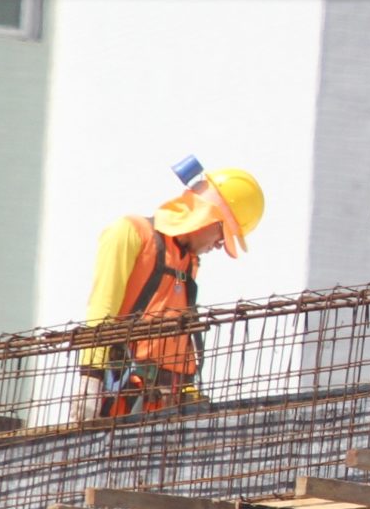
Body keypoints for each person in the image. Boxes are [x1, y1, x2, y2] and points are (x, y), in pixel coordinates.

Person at [76, 163, 264, 420]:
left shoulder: (189, 262)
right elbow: (102, 308)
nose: (220, 245)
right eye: (223, 235)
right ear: (209, 217)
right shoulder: (130, 233)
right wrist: (91, 377)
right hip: (121, 399)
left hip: (166, 404)